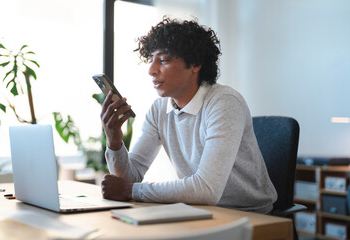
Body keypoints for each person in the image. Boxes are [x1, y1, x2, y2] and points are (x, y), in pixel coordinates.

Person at [100, 17, 277, 213]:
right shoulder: (159, 109)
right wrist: (114, 142)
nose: (151, 70)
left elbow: (206, 190)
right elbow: (127, 182)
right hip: (200, 211)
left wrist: (132, 191)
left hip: (249, 214)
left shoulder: (224, 102)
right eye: (151, 60)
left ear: (195, 64)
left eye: (163, 60)